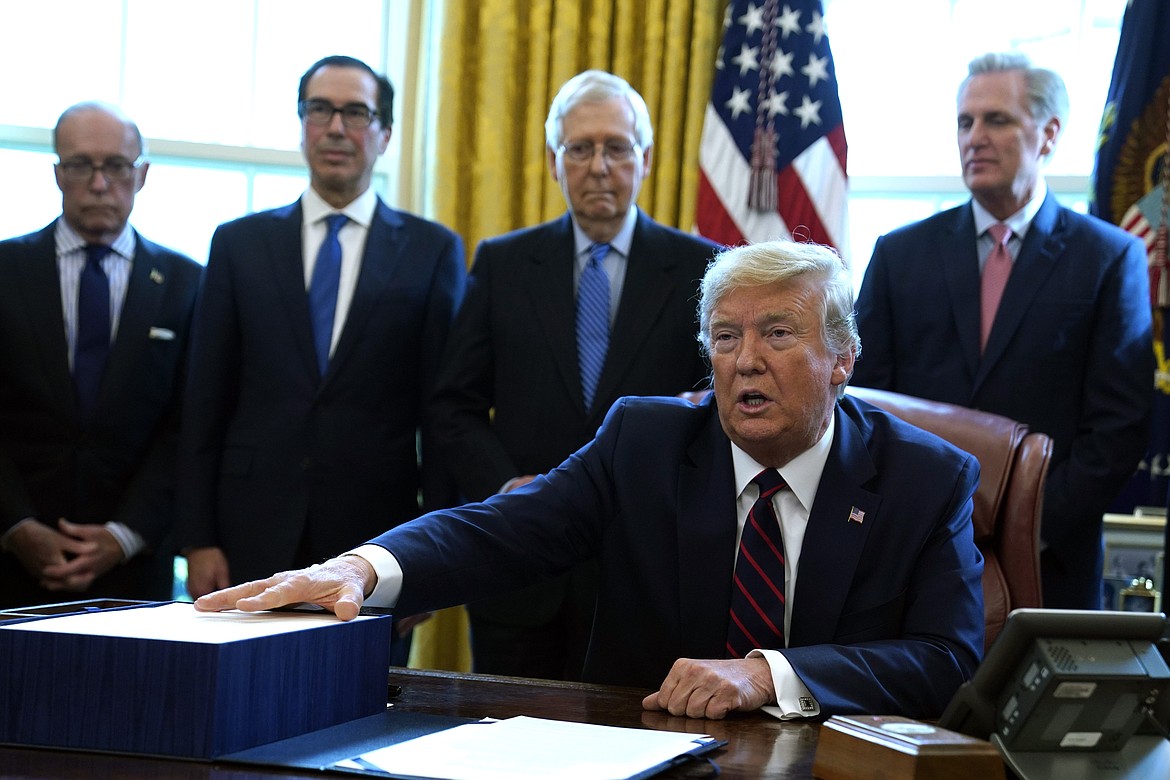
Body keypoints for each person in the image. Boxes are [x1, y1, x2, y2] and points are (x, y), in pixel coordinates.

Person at [197, 239, 985, 722]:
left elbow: (948, 658)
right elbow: (506, 528)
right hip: (647, 754)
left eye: (778, 334)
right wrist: (362, 567)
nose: (745, 360)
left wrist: (769, 674)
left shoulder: (925, 477)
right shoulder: (645, 440)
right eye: (724, 337)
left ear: (843, 358)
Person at [429, 69, 720, 680]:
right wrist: (507, 486)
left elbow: (718, 409)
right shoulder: (503, 263)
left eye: (616, 148)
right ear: (553, 161)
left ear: (644, 158)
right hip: (520, 568)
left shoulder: (701, 268)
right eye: (580, 148)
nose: (598, 166)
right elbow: (453, 405)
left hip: (646, 566)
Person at [176, 56, 466, 661]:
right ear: (302, 124)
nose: (336, 127)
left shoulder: (432, 251)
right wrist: (197, 539)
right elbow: (204, 401)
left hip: (375, 547)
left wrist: (430, 560)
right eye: (320, 110)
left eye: (356, 112)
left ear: (383, 133)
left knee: (361, 724)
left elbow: (444, 421)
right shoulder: (238, 244)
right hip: (247, 532)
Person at [853, 52, 1153, 610]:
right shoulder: (899, 254)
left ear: (1048, 135)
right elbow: (865, 401)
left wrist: (1025, 525)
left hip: (1049, 561)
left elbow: (1119, 426)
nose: (974, 138)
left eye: (997, 120)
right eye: (965, 122)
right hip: (908, 554)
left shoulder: (1109, 257)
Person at [0, 102, 202, 607]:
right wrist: (15, 525)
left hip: (134, 570)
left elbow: (189, 425)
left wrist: (124, 535)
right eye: (79, 165)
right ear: (56, 174)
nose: (98, 183)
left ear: (142, 175)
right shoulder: (5, 270)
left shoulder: (188, 284)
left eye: (115, 166)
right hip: (7, 560)